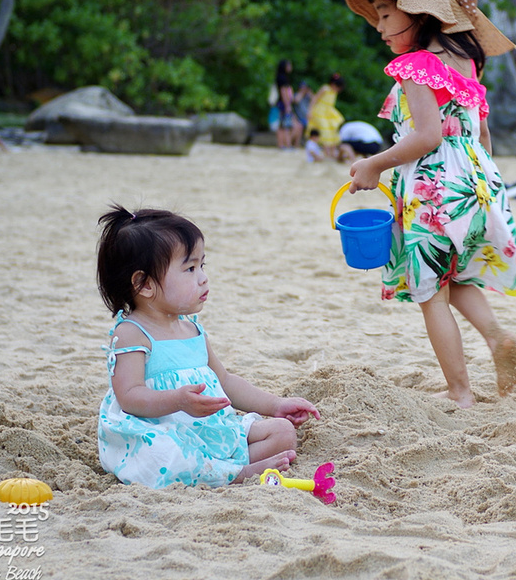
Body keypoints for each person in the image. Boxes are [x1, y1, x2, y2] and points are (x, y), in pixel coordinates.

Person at [340, 0, 516, 409]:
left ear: (418, 12)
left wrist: (373, 165)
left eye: (385, 14)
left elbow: (425, 137)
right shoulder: (467, 65)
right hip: (477, 186)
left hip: (433, 188)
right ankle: (497, 336)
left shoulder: (416, 66)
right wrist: (482, 186)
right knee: (457, 277)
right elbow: (482, 135)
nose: (379, 27)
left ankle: (460, 391)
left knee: (431, 295)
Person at [95, 205, 319, 488]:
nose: (203, 277)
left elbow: (224, 381)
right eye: (189, 268)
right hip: (159, 430)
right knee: (165, 456)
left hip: (208, 429)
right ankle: (238, 474)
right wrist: (177, 400)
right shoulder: (132, 334)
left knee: (283, 433)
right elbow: (129, 396)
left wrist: (275, 405)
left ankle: (220, 470)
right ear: (144, 284)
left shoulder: (192, 328)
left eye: (202, 265)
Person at [269, 59, 307, 149]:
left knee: (285, 125)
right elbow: (284, 92)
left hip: (282, 104)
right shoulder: (283, 79)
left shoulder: (280, 77)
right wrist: (287, 105)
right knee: (284, 125)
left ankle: (284, 144)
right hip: (283, 104)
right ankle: (284, 144)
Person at [307, 73, 345, 159]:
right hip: (320, 111)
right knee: (324, 131)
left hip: (328, 112)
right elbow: (315, 99)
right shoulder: (325, 89)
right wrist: (310, 111)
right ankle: (326, 152)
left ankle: (332, 152)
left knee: (333, 129)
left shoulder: (334, 92)